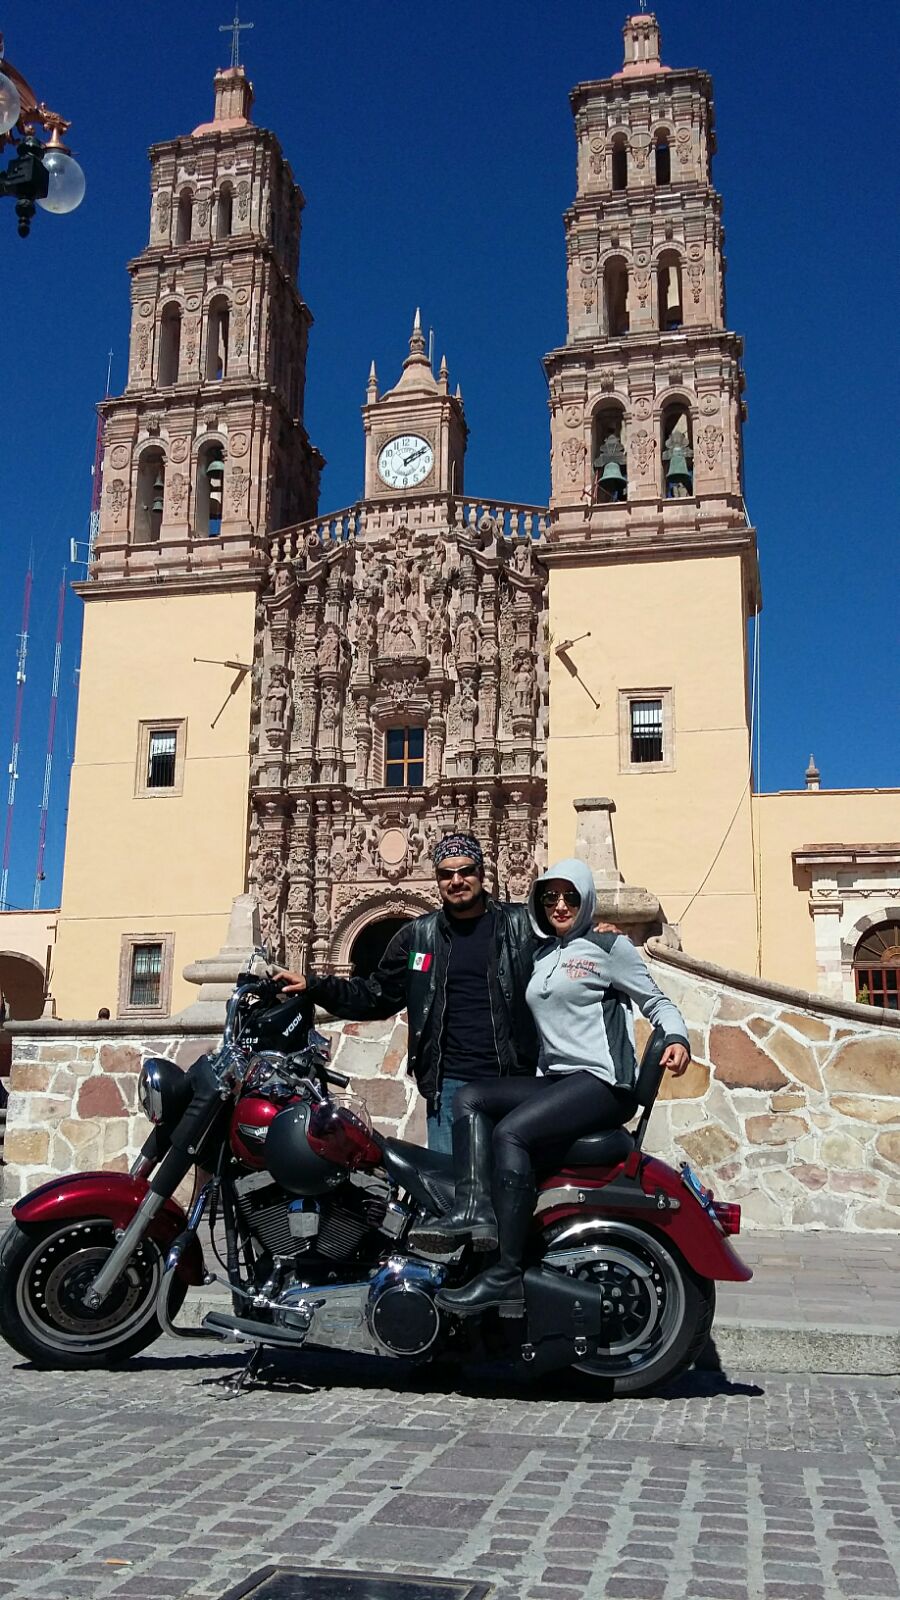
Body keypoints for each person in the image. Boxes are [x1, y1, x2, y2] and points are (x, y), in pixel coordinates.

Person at [413, 857, 690, 1319]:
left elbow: (656, 1001)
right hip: (557, 1081)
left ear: (585, 900)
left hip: (602, 1082)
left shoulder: (609, 946)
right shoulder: (542, 955)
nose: (560, 905)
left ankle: (506, 1272)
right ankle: (474, 1211)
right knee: (471, 1098)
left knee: (512, 1133)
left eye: (570, 897)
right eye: (550, 897)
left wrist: (677, 1037)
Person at [275, 833, 538, 1155]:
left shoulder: (522, 925)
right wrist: (315, 985)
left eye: (466, 870)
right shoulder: (418, 936)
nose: (456, 881)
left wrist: (602, 936)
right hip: (449, 1084)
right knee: (451, 1188)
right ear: (437, 879)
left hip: (514, 1081)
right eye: (446, 874)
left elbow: (566, 955)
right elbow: (376, 994)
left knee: (514, 1182)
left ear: (482, 873)